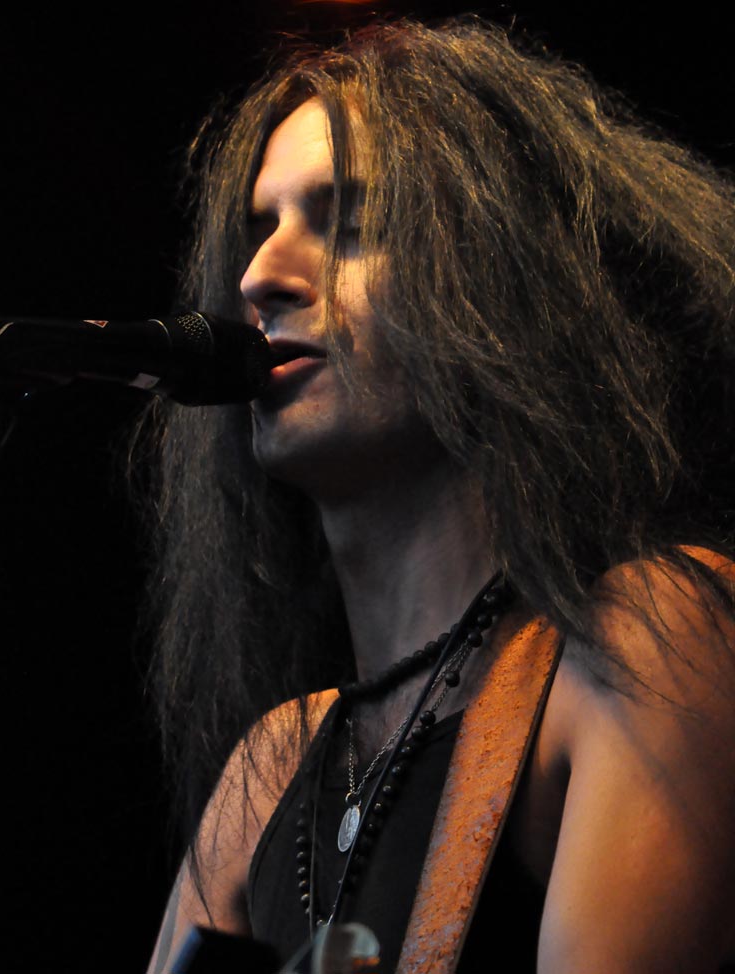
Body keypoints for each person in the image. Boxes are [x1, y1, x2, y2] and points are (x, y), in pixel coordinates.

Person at [143, 15, 735, 973]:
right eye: (260, 230)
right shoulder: (270, 774)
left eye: (351, 225)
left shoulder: (640, 644)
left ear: (502, 289)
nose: (258, 278)